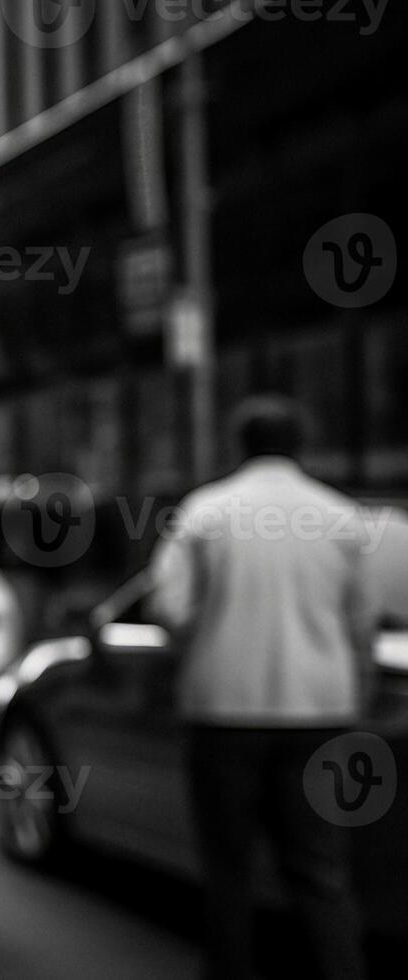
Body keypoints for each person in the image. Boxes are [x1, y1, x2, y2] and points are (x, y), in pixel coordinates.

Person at [150, 397, 375, 980]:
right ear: (302, 445)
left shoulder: (205, 510)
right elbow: (362, 625)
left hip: (224, 709)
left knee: (228, 872)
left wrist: (206, 638)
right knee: (319, 870)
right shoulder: (342, 516)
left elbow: (169, 608)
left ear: (238, 443)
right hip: (321, 713)